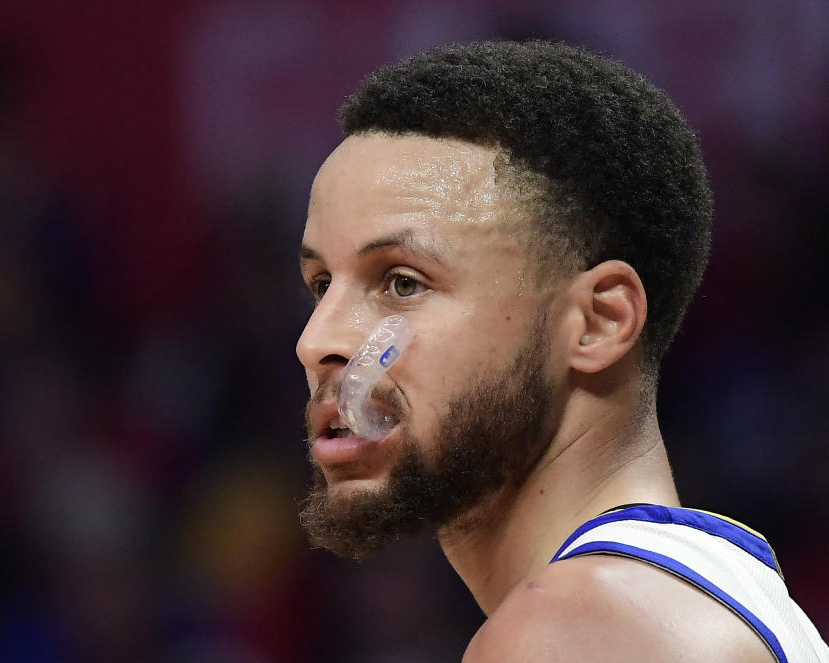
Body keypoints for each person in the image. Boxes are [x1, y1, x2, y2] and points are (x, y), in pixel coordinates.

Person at [294, 40, 829, 662]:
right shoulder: (704, 593)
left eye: (403, 283)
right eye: (321, 285)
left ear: (599, 322)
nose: (317, 342)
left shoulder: (578, 631)